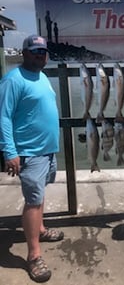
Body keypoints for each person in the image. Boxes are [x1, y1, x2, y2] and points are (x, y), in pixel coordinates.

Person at [0, 35, 64, 282]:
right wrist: (10, 152)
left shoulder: (42, 76)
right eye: (35, 51)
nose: (40, 55)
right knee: (33, 201)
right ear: (25, 53)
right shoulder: (12, 80)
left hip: (47, 149)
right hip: (29, 151)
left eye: (43, 51)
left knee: (40, 194)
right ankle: (33, 255)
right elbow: (3, 118)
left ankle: (40, 229)